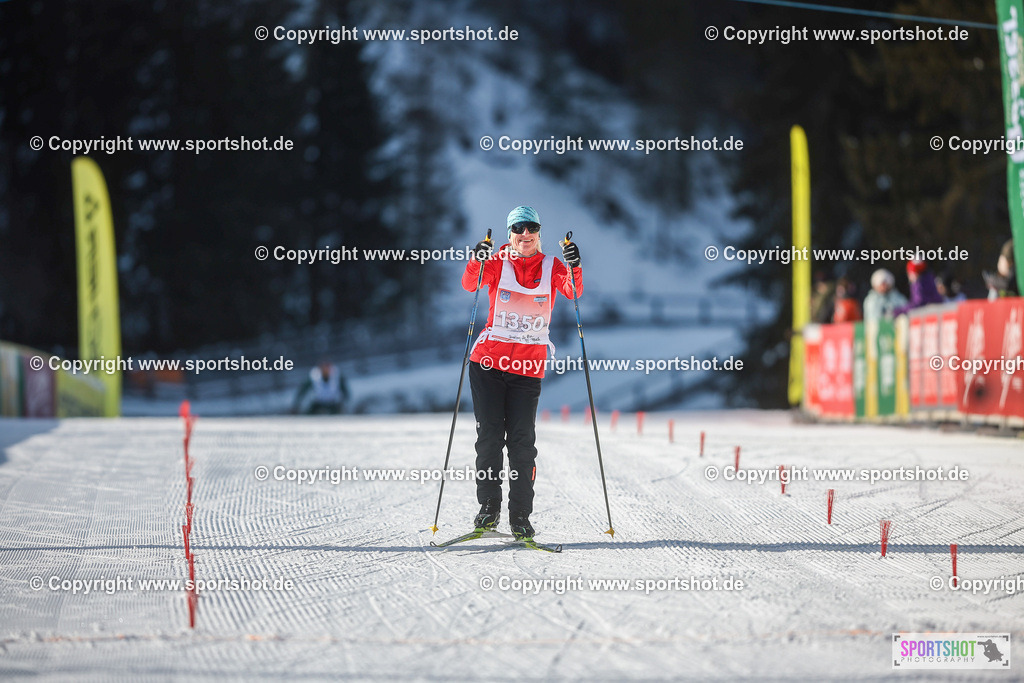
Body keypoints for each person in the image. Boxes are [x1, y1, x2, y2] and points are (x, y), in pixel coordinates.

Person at [461, 206, 582, 541]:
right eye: (518, 229)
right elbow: (470, 283)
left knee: (522, 443)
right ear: (509, 233)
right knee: (489, 438)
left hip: (527, 369)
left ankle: (520, 517)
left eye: (531, 228)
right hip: (487, 364)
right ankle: (489, 508)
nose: (524, 235)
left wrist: (574, 264)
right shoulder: (497, 261)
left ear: (538, 232)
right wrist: (477, 259)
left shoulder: (551, 265)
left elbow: (572, 290)